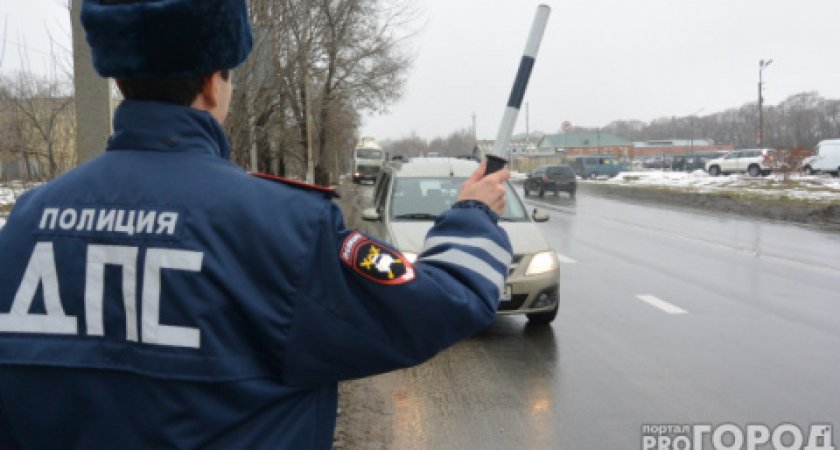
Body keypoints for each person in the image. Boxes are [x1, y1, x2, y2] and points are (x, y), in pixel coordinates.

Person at [0, 1, 512, 449]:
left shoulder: (24, 225)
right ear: (212, 83)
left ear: (117, 80)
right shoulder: (283, 229)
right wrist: (472, 214)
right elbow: (444, 303)